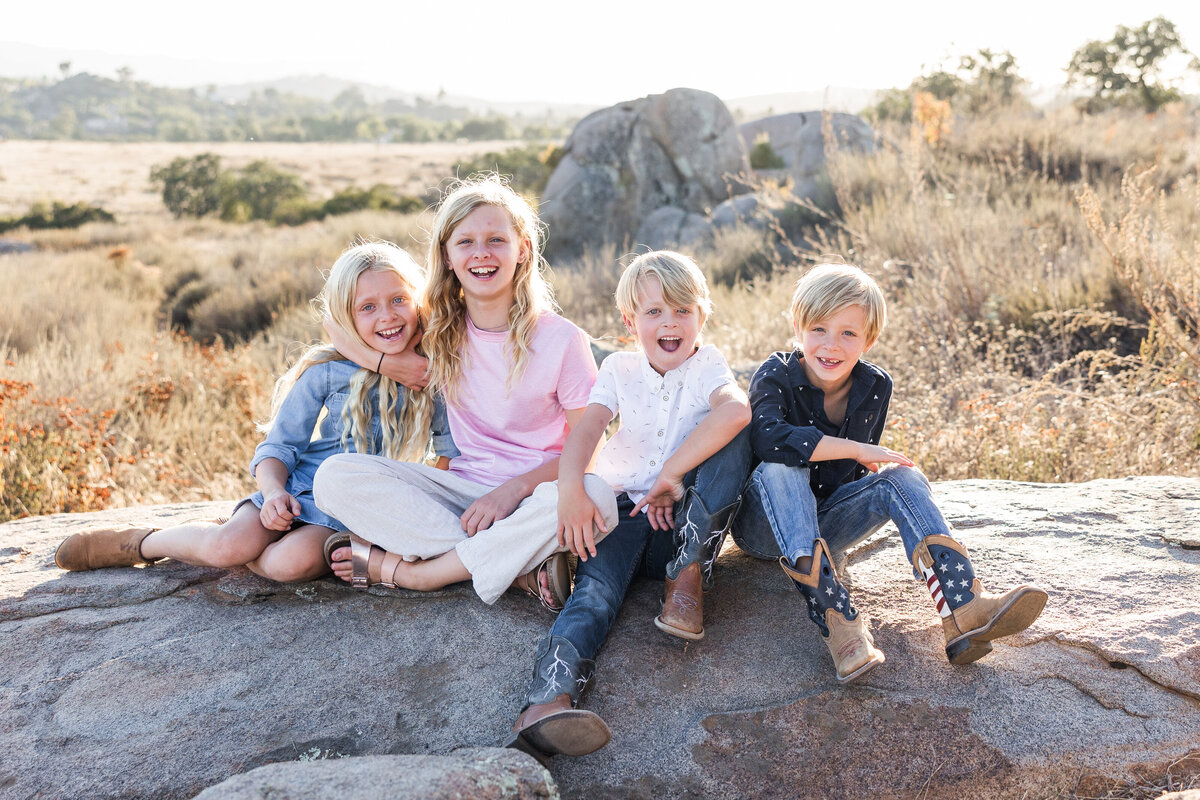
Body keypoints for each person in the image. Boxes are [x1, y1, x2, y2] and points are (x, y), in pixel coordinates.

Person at [54, 241, 453, 582]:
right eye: (368, 307)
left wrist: (408, 523)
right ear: (347, 317)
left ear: (418, 301)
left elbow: (448, 455)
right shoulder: (327, 373)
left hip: (359, 511)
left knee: (287, 564)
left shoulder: (434, 374)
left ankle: (248, 544)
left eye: (399, 299)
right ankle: (143, 541)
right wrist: (274, 493)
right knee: (231, 545)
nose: (387, 316)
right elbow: (278, 448)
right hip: (301, 490)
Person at [732, 263, 1049, 684]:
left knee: (903, 476)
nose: (831, 345)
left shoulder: (875, 385)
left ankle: (963, 609)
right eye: (819, 329)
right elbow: (770, 441)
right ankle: (839, 625)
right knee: (782, 467)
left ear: (870, 338)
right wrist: (858, 449)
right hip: (763, 526)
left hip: (825, 526)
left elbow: (848, 478)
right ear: (797, 327)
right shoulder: (775, 373)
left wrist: (872, 479)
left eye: (848, 333)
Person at [313, 176, 616, 611]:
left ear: (523, 249)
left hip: (535, 497)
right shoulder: (437, 329)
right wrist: (389, 363)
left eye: (497, 240)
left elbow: (591, 442)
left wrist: (512, 490)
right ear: (447, 256)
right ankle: (520, 572)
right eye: (466, 242)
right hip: (459, 500)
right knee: (334, 476)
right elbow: (335, 328)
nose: (481, 253)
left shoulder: (561, 339)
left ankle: (413, 573)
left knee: (600, 497)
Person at [504, 250, 752, 763]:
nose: (670, 322)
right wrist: (573, 490)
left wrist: (672, 475)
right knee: (595, 592)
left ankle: (686, 579)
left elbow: (735, 409)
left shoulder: (708, 364)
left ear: (703, 315)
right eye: (654, 312)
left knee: (734, 438)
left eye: (683, 310)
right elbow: (589, 429)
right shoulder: (618, 367)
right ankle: (547, 703)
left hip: (680, 527)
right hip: (624, 513)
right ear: (629, 322)